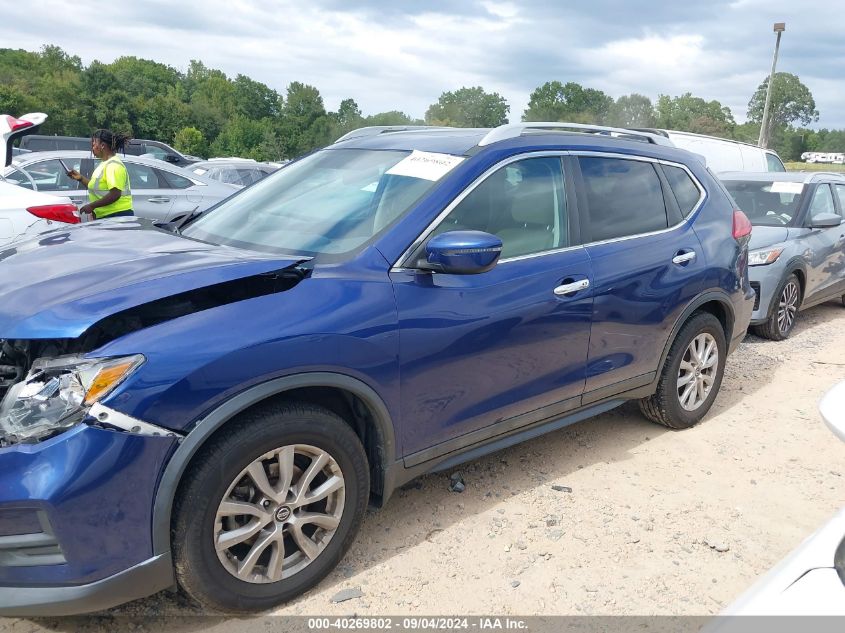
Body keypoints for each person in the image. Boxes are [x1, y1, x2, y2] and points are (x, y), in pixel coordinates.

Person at [67, 129, 134, 220]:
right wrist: (81, 178)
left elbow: (115, 194)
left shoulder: (113, 165)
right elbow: (98, 188)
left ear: (102, 145)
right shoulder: (104, 164)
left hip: (117, 216)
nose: (92, 148)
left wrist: (91, 206)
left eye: (94, 145)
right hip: (109, 216)